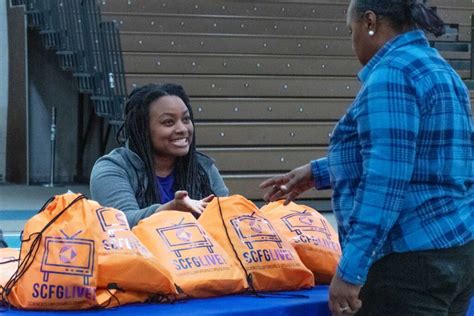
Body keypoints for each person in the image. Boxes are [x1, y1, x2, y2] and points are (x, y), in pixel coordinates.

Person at [260, 0, 473, 315]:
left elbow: (385, 185)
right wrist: (318, 171)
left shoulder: (391, 76)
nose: (353, 41)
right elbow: (419, 157)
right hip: (456, 252)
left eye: (351, 30)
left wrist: (351, 271)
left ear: (370, 22)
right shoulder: (438, 67)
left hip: (408, 265)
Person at [90, 83, 229, 227]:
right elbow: (122, 222)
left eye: (186, 119)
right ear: (143, 128)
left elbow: (227, 220)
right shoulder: (113, 169)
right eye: (168, 122)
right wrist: (170, 209)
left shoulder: (203, 168)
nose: (182, 129)